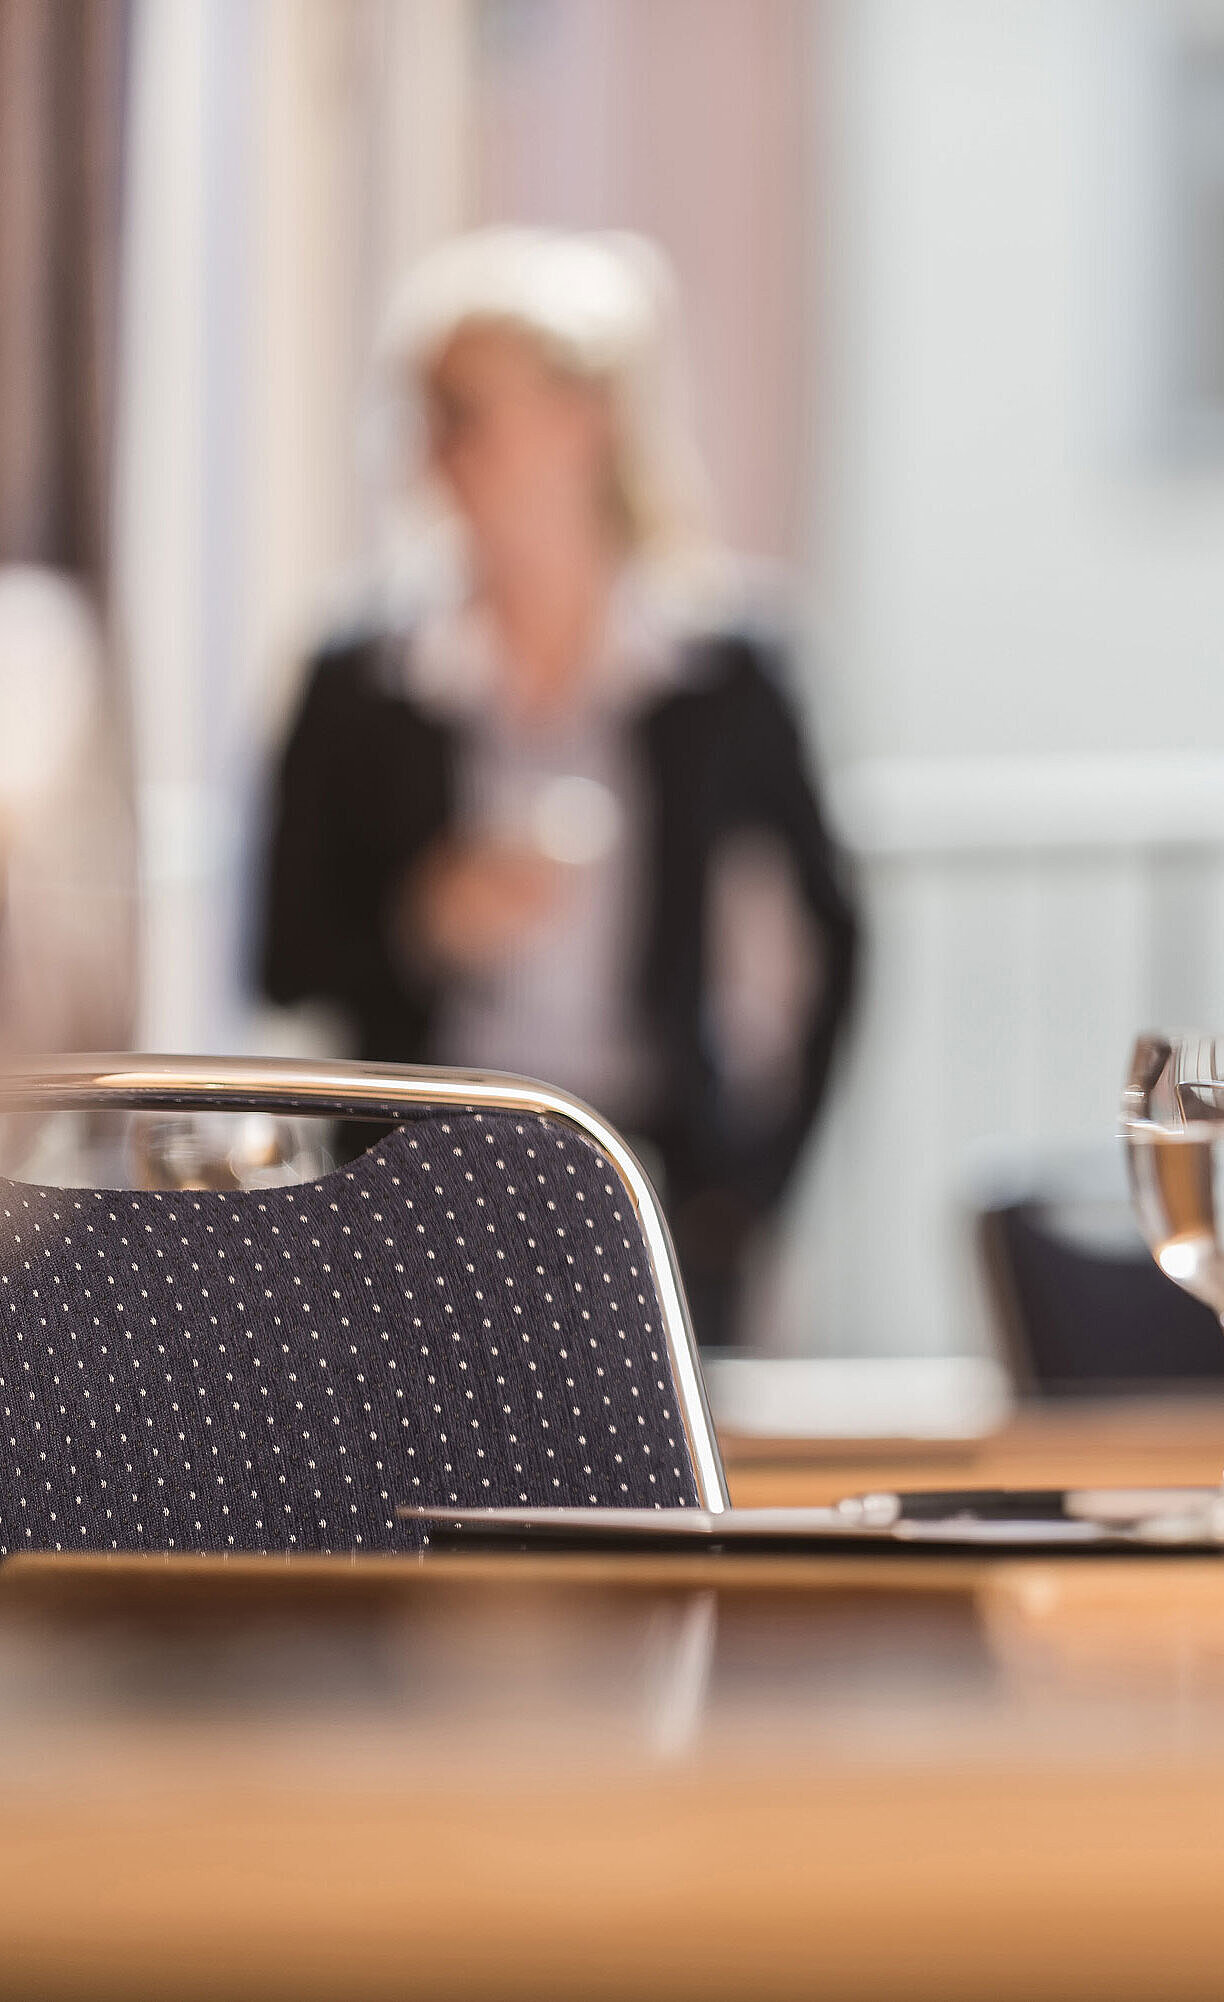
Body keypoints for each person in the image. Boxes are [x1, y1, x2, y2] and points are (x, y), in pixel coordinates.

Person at [259, 228, 860, 1347]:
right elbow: (282, 952)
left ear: (590, 421)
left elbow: (828, 944)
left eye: (470, 411)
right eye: (425, 414)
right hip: (413, 1196)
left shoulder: (725, 671)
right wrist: (423, 921)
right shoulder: (357, 680)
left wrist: (752, 1193)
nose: (439, 450)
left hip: (655, 1191)